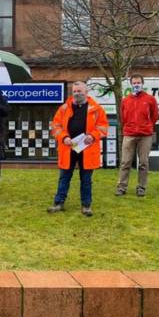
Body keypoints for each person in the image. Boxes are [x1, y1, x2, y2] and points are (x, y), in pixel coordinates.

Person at [47, 81, 108, 217]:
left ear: (86, 92)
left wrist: (92, 136)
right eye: (74, 91)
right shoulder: (63, 108)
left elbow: (103, 128)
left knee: (86, 179)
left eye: (79, 91)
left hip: (87, 149)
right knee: (64, 177)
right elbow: (55, 126)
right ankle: (58, 203)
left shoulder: (97, 109)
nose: (76, 93)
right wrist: (64, 138)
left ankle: (86, 206)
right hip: (68, 148)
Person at [116, 74, 159, 197]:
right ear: (131, 84)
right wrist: (128, 128)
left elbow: (155, 116)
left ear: (142, 83)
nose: (136, 85)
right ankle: (121, 187)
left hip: (145, 135)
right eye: (134, 83)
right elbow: (122, 117)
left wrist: (147, 126)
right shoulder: (125, 100)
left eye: (138, 82)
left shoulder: (150, 99)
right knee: (125, 162)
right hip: (129, 134)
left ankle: (141, 188)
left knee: (143, 163)